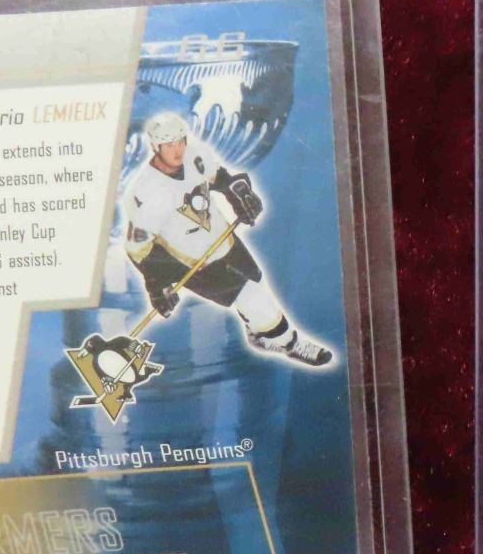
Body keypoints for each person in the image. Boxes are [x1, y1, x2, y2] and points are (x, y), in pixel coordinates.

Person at [119, 111, 332, 367]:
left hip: (223, 240)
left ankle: (257, 332)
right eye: (168, 145)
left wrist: (237, 192)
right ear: (155, 146)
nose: (177, 150)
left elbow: (218, 177)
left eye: (180, 141)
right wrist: (156, 283)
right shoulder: (145, 192)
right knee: (252, 296)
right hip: (194, 262)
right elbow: (137, 249)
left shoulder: (194, 154)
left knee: (255, 281)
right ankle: (291, 343)